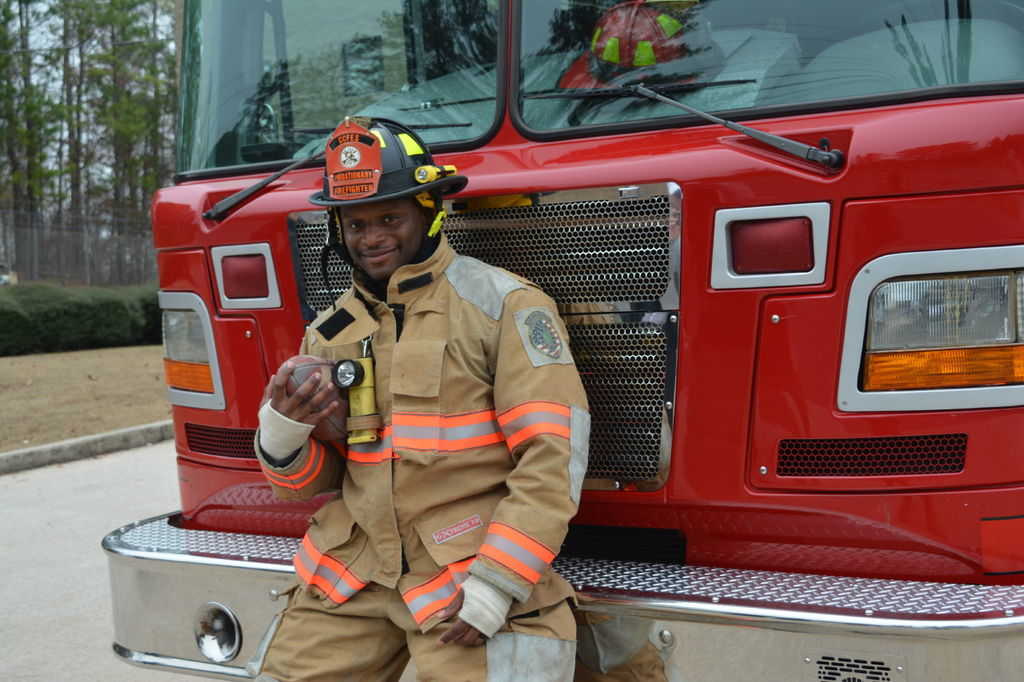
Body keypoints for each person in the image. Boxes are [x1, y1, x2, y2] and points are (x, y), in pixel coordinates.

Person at [250, 116, 591, 682]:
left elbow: (553, 456)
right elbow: (312, 484)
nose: (372, 237)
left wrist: (497, 584)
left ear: (429, 210)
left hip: (465, 576)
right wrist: (283, 436)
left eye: (390, 217)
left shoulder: (504, 306)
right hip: (352, 577)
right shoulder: (329, 332)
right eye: (356, 223)